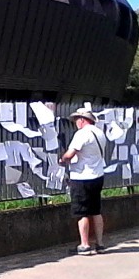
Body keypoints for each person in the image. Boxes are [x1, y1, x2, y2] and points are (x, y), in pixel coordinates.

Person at [59, 108, 107, 256]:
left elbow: (70, 154)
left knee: (82, 212)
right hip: (98, 175)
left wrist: (62, 160)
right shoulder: (100, 133)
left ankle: (84, 245)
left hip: (82, 177)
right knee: (96, 211)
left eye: (76, 120)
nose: (75, 123)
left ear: (82, 119)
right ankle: (99, 243)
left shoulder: (82, 134)